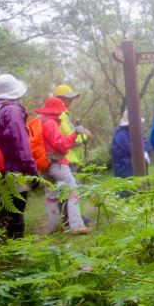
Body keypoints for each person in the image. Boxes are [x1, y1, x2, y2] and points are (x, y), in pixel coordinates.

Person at [0, 74, 38, 239]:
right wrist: (32, 169)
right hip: (14, 170)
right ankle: (16, 256)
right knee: (16, 213)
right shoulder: (12, 110)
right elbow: (21, 142)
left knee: (3, 211)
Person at [35, 97, 92, 235]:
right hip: (57, 163)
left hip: (44, 163)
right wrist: (75, 134)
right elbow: (60, 145)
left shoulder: (41, 121)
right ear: (57, 111)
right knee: (73, 190)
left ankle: (54, 227)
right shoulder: (51, 124)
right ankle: (76, 225)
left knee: (51, 194)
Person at [52, 84, 93, 225]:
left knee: (68, 190)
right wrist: (85, 136)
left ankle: (71, 218)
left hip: (68, 158)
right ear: (60, 99)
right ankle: (72, 220)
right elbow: (70, 139)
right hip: (67, 159)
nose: (71, 101)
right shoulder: (61, 116)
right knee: (70, 191)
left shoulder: (64, 115)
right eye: (68, 98)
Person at [111, 110, 151, 196]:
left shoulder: (137, 132)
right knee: (129, 194)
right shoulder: (121, 135)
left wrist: (144, 152)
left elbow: (145, 144)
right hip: (125, 170)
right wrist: (142, 152)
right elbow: (129, 149)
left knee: (142, 191)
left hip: (136, 168)